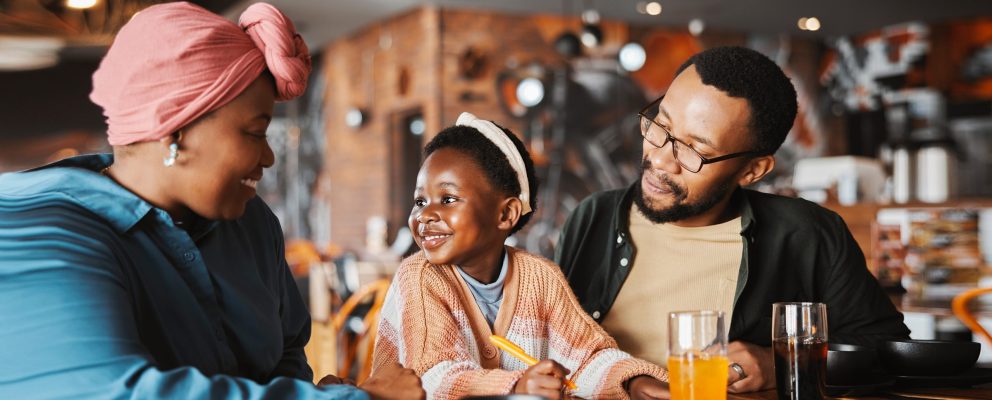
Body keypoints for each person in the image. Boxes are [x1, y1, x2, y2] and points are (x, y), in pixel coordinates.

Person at [0, 3, 423, 399]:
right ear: (174, 130)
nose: (268, 157)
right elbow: (118, 391)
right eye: (255, 133)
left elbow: (287, 353)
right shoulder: (34, 225)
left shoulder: (251, 223)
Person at [554, 46, 910, 393]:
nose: (661, 159)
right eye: (660, 126)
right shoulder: (593, 217)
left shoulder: (807, 234)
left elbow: (887, 350)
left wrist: (781, 363)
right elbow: (542, 341)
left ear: (753, 170)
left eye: (695, 151)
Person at [372, 112, 669, 399]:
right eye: (420, 200)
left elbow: (587, 357)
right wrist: (516, 387)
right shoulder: (420, 276)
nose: (425, 215)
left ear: (505, 213)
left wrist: (631, 381)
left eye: (447, 199)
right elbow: (432, 378)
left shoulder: (540, 277)